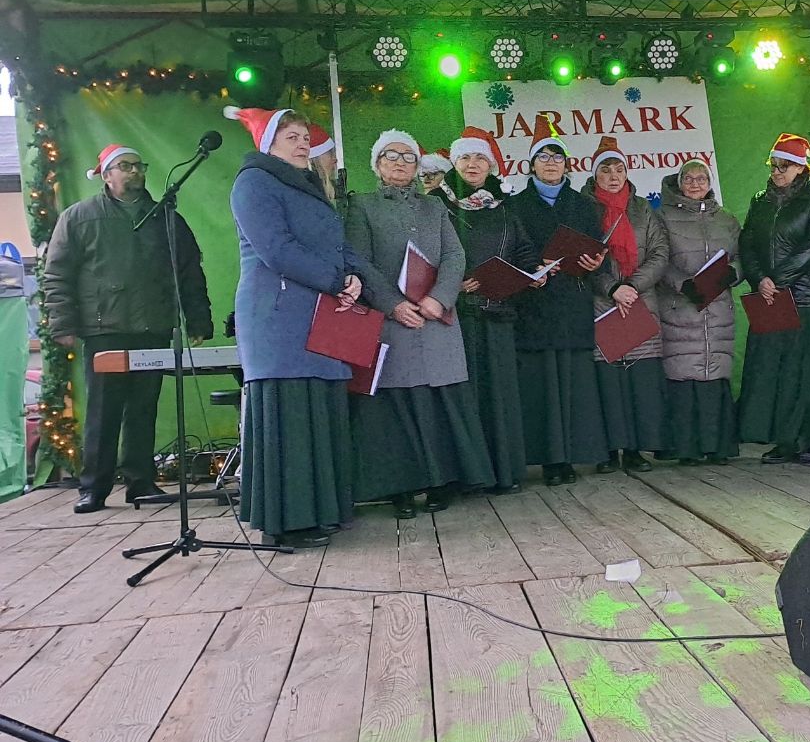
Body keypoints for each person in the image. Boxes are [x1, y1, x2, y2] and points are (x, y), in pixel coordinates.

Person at [45, 143, 213, 513]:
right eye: (125, 166)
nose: (135, 171)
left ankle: (140, 482)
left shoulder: (166, 218)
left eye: (139, 165)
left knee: (142, 409)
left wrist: (198, 320)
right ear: (106, 175)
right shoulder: (78, 218)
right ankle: (94, 488)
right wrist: (63, 323)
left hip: (153, 327)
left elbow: (189, 273)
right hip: (105, 329)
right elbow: (57, 275)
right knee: (103, 411)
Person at [228, 107, 360, 546]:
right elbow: (276, 249)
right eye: (291, 136)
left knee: (317, 411)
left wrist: (352, 280)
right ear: (268, 143)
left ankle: (320, 512)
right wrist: (335, 279)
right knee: (289, 415)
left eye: (305, 136)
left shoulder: (308, 188)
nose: (303, 142)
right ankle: (285, 523)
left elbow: (333, 247)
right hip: (279, 316)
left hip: (319, 313)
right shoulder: (253, 183)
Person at [345, 130, 494, 515]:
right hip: (394, 323)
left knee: (441, 403)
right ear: (377, 164)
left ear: (418, 166)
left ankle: (443, 482)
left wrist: (439, 298)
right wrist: (393, 304)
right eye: (390, 156)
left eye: (408, 157)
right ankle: (401, 488)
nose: (399, 163)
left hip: (437, 320)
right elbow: (360, 261)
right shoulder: (361, 206)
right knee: (398, 406)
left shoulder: (435, 207)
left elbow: (454, 256)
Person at [509, 118, 611, 485]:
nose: (551, 163)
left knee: (572, 384)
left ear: (568, 165)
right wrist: (531, 267)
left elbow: (602, 254)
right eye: (543, 157)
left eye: (557, 157)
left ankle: (570, 457)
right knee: (540, 386)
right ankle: (547, 459)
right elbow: (509, 252)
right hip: (534, 308)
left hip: (572, 303)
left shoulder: (585, 206)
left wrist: (597, 262)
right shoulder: (514, 206)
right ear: (531, 165)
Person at [442, 126, 542, 493]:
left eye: (480, 158)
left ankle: (503, 473)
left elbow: (525, 251)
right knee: (465, 395)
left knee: (500, 396)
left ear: (491, 165)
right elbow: (426, 258)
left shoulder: (505, 208)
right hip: (457, 319)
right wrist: (454, 283)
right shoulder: (439, 202)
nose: (473, 164)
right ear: (454, 162)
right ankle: (467, 477)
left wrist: (533, 274)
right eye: (466, 157)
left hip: (499, 315)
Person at [737, 133, 810, 464]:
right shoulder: (760, 200)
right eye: (774, 166)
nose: (777, 172)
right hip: (772, 298)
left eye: (784, 166)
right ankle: (785, 439)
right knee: (777, 370)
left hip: (809, 298)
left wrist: (777, 280)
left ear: (801, 168)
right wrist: (760, 280)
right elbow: (748, 243)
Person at [582, 137, 669, 473]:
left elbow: (660, 252)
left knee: (639, 383)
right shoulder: (583, 208)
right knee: (607, 382)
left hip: (639, 301)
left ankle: (634, 449)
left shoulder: (643, 209)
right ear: (595, 175)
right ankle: (607, 451)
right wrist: (612, 287)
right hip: (601, 303)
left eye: (619, 169)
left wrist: (632, 286)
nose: (614, 176)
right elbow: (579, 256)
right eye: (606, 170)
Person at [656, 158, 741, 464]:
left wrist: (734, 272)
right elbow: (658, 260)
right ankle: (686, 449)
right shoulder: (662, 218)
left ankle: (718, 447)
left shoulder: (727, 219)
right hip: (681, 307)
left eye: (701, 178)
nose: (695, 183)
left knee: (715, 375)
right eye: (688, 178)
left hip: (717, 309)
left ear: (710, 183)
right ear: (679, 183)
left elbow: (742, 256)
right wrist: (683, 284)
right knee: (683, 376)